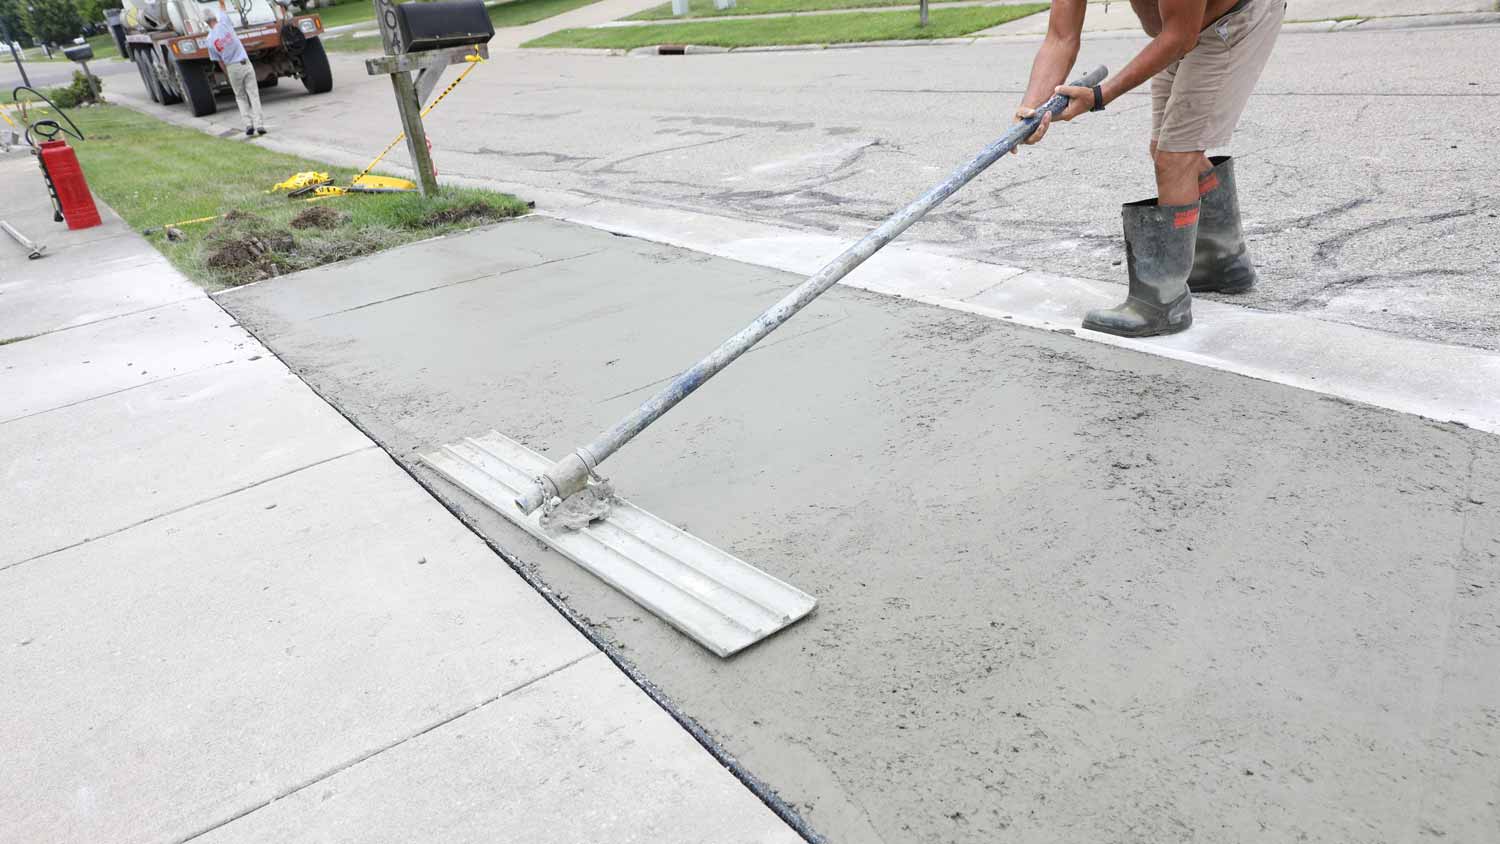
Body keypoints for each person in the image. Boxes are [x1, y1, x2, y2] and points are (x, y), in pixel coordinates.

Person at [1014, 0, 1283, 337]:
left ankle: (1162, 302)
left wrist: (1099, 96)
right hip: (1179, 30)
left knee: (1175, 157)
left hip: (1232, 20)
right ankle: (1221, 260)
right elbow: (1060, 37)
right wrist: (1032, 109)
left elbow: (1180, 37)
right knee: (1165, 151)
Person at [204, 5, 265, 137]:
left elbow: (218, 60)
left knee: (240, 96)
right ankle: (259, 124)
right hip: (245, 62)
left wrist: (227, 72)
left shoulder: (209, 40)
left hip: (231, 67)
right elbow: (222, 6)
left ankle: (248, 124)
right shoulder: (225, 23)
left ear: (206, 23)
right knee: (253, 94)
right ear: (215, 18)